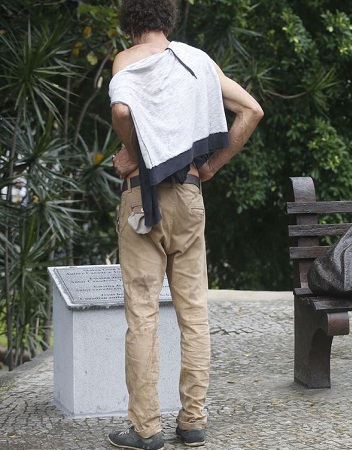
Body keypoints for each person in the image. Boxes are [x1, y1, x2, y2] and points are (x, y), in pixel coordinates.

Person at [107, 0, 263, 448]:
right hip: (191, 196)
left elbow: (121, 114)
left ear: (130, 22)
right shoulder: (198, 61)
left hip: (143, 199)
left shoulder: (128, 60)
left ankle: (146, 429)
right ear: (166, 18)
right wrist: (212, 165)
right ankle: (193, 421)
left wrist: (134, 151)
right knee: (194, 314)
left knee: (143, 316)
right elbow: (251, 111)